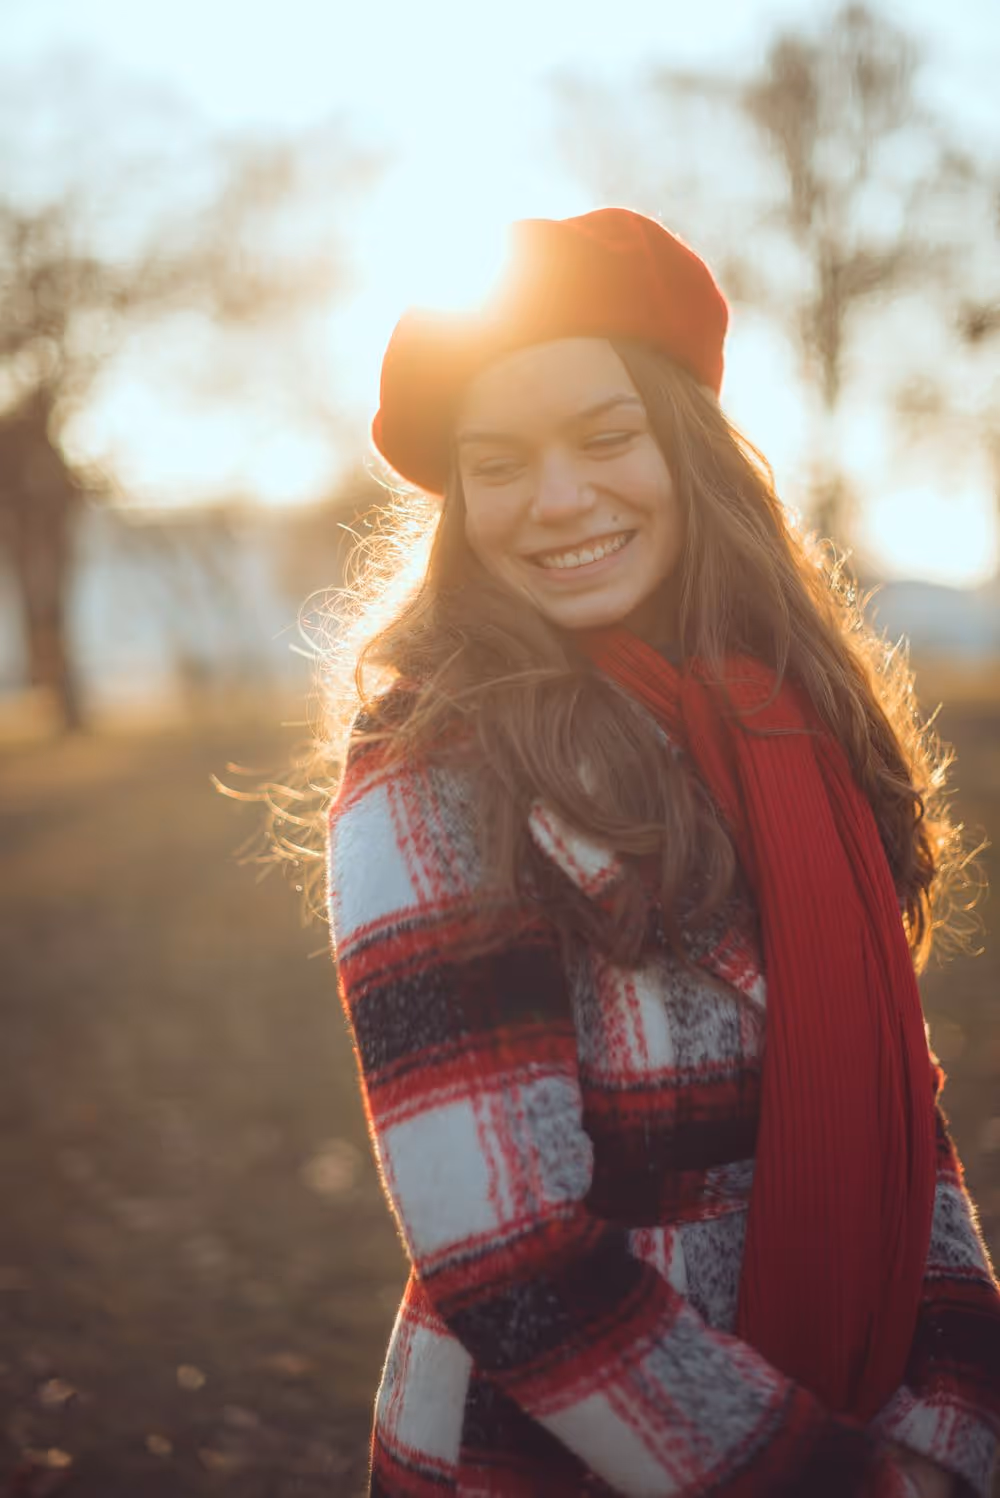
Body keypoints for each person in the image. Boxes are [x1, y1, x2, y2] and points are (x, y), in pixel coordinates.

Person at [321, 208, 1000, 1496]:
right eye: (500, 461)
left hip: (880, 1409)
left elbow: (902, 1115)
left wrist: (956, 1427)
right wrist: (827, 1482)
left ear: (684, 448)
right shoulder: (435, 762)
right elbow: (507, 1248)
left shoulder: (789, 721)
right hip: (563, 1456)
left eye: (605, 435)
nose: (559, 498)